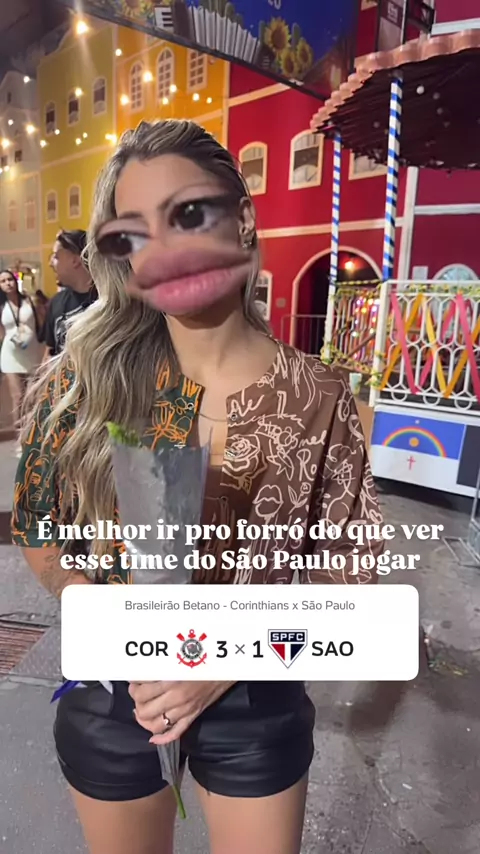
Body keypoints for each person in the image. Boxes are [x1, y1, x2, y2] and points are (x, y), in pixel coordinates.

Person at [11, 120, 383, 854]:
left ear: (241, 219)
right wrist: (100, 612)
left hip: (256, 699)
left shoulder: (317, 395)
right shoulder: (80, 380)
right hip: (116, 696)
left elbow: (352, 579)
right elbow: (39, 533)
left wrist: (220, 660)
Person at [0, 269, 44, 453]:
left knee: (32, 396)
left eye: (9, 279)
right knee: (18, 397)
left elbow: (41, 320)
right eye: (3, 281)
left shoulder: (29, 300)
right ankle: (20, 438)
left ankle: (33, 435)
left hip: (31, 352)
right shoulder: (2, 306)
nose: (7, 283)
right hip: (10, 354)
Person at [42, 229, 97, 357]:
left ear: (75, 260)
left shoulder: (109, 301)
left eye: (56, 257)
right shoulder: (56, 303)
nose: (50, 263)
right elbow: (49, 353)